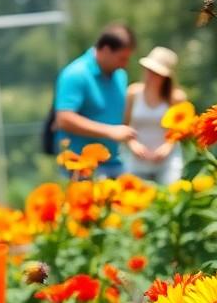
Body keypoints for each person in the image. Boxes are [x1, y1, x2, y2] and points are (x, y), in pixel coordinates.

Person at [53, 23, 137, 178]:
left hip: (115, 163)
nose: (125, 65)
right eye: (121, 58)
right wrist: (110, 131)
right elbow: (64, 119)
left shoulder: (120, 76)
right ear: (105, 50)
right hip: (81, 167)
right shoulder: (76, 74)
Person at [124, 46, 188, 185]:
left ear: (166, 77)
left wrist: (167, 147)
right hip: (137, 161)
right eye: (149, 70)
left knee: (170, 201)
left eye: (156, 72)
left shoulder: (177, 98)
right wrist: (133, 144)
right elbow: (125, 126)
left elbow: (181, 130)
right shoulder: (133, 93)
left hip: (168, 161)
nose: (150, 75)